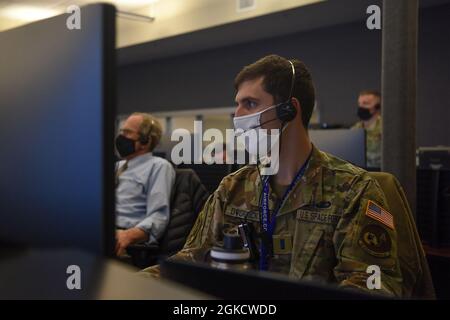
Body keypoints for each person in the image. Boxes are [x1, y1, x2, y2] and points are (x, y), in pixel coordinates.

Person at [142, 55, 407, 297]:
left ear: (289, 110)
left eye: (250, 104)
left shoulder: (355, 191)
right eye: (238, 105)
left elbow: (373, 285)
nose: (237, 116)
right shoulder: (233, 187)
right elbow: (190, 261)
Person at [115, 112, 175, 257]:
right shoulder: (118, 166)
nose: (121, 137)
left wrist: (128, 236)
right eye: (121, 132)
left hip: (126, 237)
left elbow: (159, 216)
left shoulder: (159, 166)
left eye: (127, 133)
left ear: (145, 141)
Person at [352, 90, 382, 169]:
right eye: (359, 103)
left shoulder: (385, 129)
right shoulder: (355, 130)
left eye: (365, 103)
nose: (361, 107)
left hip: (380, 172)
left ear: (377, 107)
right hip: (359, 173)